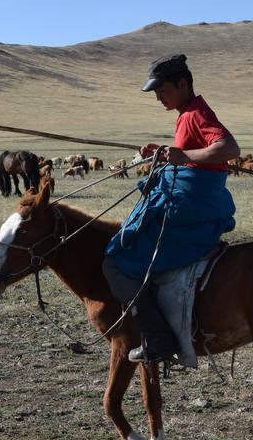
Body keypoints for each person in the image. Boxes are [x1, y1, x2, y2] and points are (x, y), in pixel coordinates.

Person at [102, 53, 241, 364]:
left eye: (163, 90)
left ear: (183, 84)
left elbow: (229, 149)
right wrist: (163, 152)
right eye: (155, 93)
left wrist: (184, 157)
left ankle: (158, 338)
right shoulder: (187, 113)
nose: (159, 98)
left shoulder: (195, 113)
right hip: (195, 204)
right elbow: (189, 152)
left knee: (117, 258)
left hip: (189, 209)